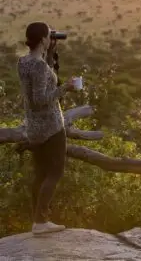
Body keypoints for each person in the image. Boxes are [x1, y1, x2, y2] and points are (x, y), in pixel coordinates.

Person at [17, 21, 76, 235]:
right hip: (51, 126)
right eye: (48, 35)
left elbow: (40, 82)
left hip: (33, 127)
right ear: (43, 38)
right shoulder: (39, 65)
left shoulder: (24, 62)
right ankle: (41, 222)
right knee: (56, 171)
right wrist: (65, 88)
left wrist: (50, 54)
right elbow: (41, 98)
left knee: (40, 174)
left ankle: (37, 221)